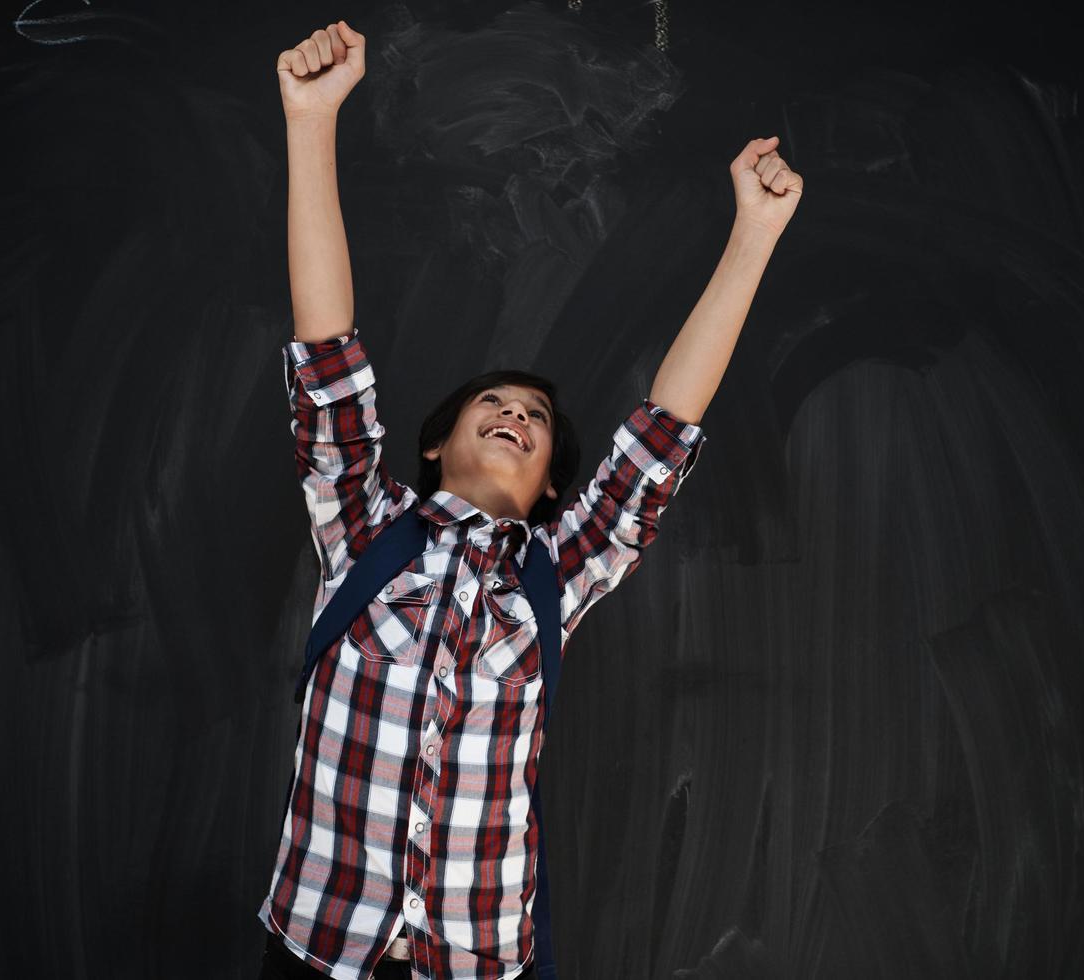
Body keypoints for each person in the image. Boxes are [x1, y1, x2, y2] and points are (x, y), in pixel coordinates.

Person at [257, 20, 803, 980]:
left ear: (552, 481)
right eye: (491, 404)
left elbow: (665, 428)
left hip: (476, 965)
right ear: (435, 443)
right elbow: (327, 351)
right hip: (318, 950)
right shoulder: (362, 526)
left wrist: (753, 237)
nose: (513, 411)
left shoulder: (562, 573)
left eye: (535, 416)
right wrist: (311, 125)